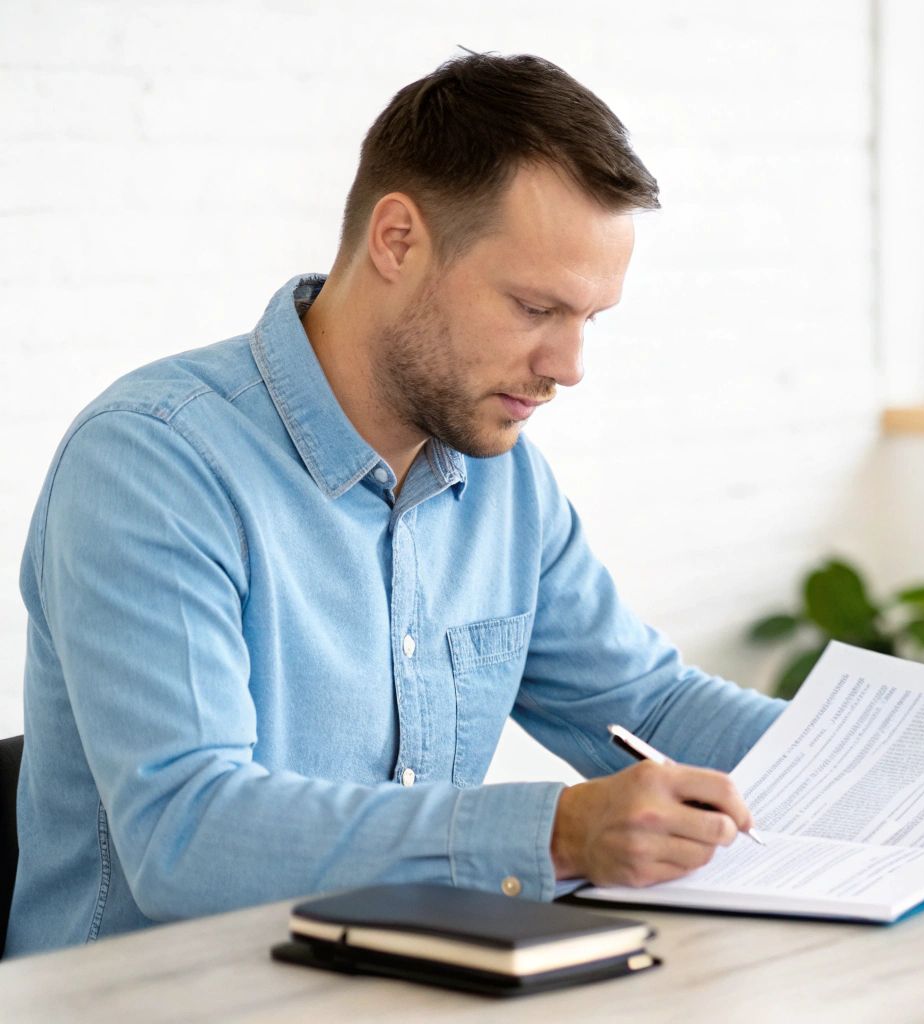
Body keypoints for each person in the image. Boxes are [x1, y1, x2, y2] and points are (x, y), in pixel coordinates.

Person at [6, 52, 785, 956]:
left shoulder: (503, 478)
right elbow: (186, 833)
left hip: (406, 987)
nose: (569, 367)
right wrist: (557, 831)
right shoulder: (153, 462)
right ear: (398, 240)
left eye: (589, 320)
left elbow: (645, 708)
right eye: (536, 307)